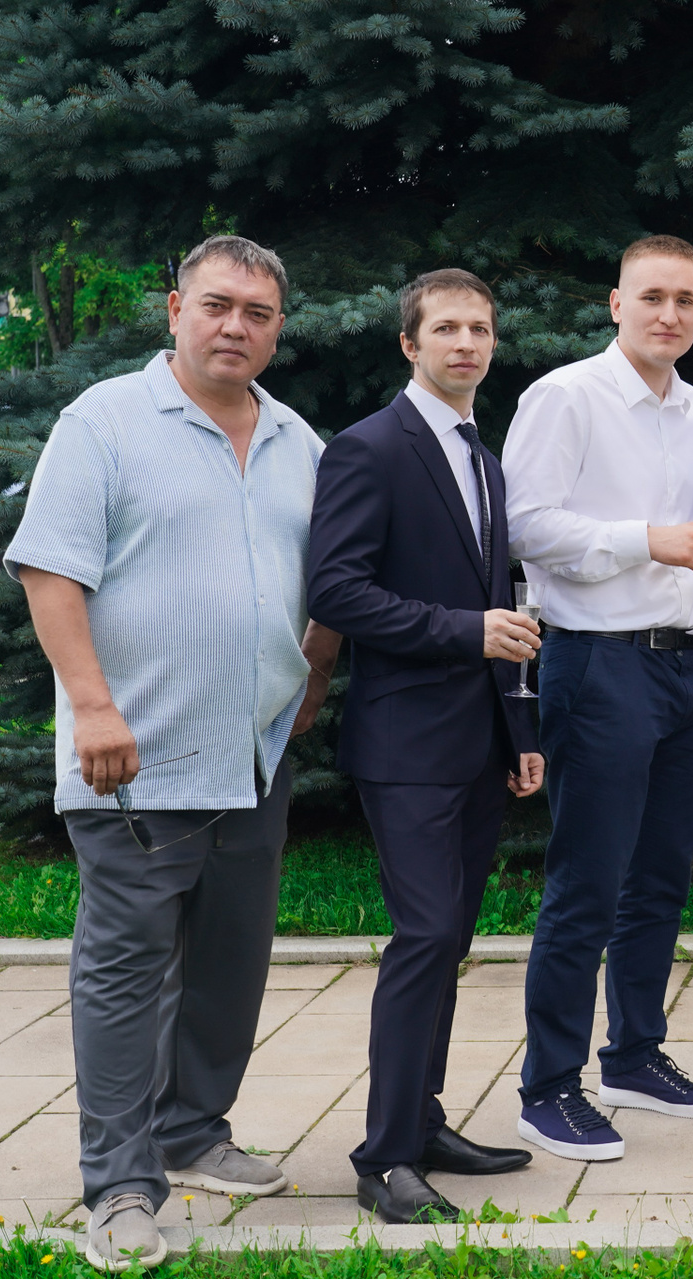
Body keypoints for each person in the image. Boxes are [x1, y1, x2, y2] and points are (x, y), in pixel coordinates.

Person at [6, 235, 337, 1271]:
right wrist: (92, 707)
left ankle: (192, 1129)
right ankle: (119, 1184)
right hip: (134, 757)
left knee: (232, 961)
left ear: (277, 329)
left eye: (258, 313)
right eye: (217, 305)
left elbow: (328, 580)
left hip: (254, 754)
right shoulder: (103, 421)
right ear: (175, 311)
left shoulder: (296, 439)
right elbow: (50, 570)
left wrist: (311, 677)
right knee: (124, 974)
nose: (236, 326)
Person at [307, 269, 543, 1221]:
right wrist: (464, 632)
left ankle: (425, 1120)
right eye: (446, 328)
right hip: (404, 743)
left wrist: (519, 730)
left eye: (480, 328)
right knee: (426, 936)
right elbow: (336, 591)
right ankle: (385, 1159)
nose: (466, 343)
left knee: (453, 938)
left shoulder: (484, 454)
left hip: (479, 743)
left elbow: (501, 602)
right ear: (410, 344)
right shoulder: (368, 448)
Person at [503, 235, 693, 1160]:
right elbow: (527, 527)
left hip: (692, 668)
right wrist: (647, 539)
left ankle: (634, 1056)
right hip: (600, 665)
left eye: (686, 300)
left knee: (660, 877)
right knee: (588, 882)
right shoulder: (566, 396)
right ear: (616, 302)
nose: (670, 315)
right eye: (652, 297)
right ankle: (548, 1087)